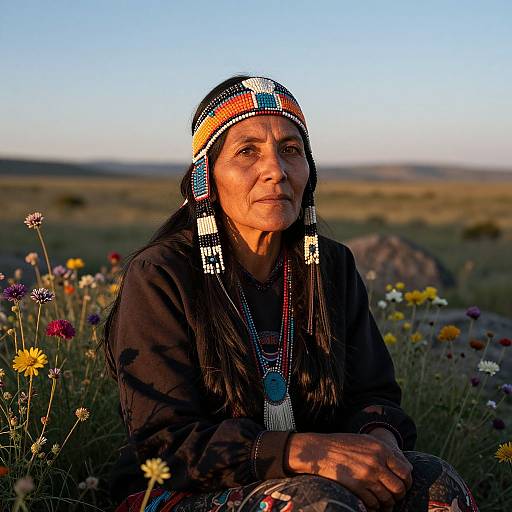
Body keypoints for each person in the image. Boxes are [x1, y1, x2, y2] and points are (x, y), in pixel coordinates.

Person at [103, 75, 479, 512]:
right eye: (248, 152)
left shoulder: (330, 266)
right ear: (207, 176)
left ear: (309, 171)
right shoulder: (160, 275)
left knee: (435, 483)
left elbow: (372, 394)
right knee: (315, 502)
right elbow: (163, 443)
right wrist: (304, 451)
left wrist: (379, 448)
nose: (276, 171)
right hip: (178, 490)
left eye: (291, 150)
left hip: (315, 478)